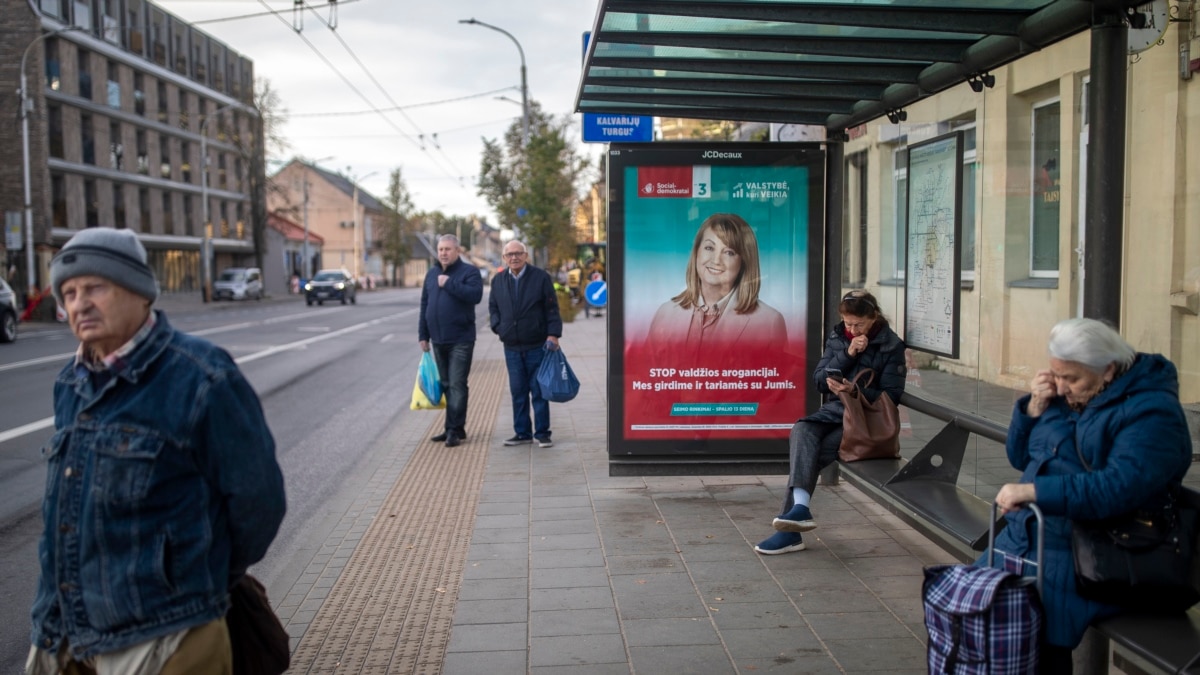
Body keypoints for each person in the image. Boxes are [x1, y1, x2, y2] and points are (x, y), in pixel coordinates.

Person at [28, 228, 286, 674]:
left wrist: (199, 583)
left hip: (166, 636)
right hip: (64, 635)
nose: (78, 304)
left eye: (95, 287)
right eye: (68, 293)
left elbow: (259, 504)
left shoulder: (201, 377)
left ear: (138, 291)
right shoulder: (70, 384)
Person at [988, 318, 1192, 673]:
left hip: (1090, 550)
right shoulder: (1073, 394)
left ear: (1108, 370)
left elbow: (1119, 487)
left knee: (1031, 645)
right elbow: (1021, 458)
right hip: (1025, 540)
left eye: (1072, 378)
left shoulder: (1153, 412)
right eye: (1057, 374)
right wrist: (1033, 408)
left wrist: (1036, 491)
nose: (1063, 387)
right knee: (973, 617)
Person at [755, 290, 906, 555]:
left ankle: (791, 530)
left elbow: (891, 396)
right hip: (837, 412)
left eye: (858, 324)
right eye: (848, 323)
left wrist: (854, 390)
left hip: (866, 423)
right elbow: (818, 380)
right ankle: (798, 512)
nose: (852, 328)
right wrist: (847, 354)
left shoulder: (890, 345)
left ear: (874, 318)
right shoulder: (839, 337)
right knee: (803, 429)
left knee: (808, 455)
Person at [647, 213, 787, 361]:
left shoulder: (770, 322)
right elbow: (647, 376)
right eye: (709, 247)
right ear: (696, 253)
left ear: (744, 262)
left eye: (729, 252)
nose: (716, 260)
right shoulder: (665, 313)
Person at [489, 240, 563, 448]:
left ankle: (542, 433)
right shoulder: (499, 280)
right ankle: (522, 433)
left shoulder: (540, 278)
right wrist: (499, 327)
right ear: (504, 258)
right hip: (511, 346)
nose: (514, 257)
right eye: (509, 254)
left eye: (518, 253)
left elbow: (552, 309)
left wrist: (553, 334)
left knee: (539, 390)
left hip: (537, 344)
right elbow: (493, 308)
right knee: (518, 391)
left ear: (526, 255)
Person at [418, 233, 484, 447]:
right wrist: (423, 335)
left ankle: (455, 429)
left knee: (457, 384)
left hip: (461, 339)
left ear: (457, 251)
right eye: (440, 250)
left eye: (448, 249)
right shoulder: (432, 274)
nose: (443, 253)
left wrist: (449, 284)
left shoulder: (469, 272)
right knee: (446, 384)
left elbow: (475, 296)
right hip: (438, 338)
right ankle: (451, 428)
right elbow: (425, 305)